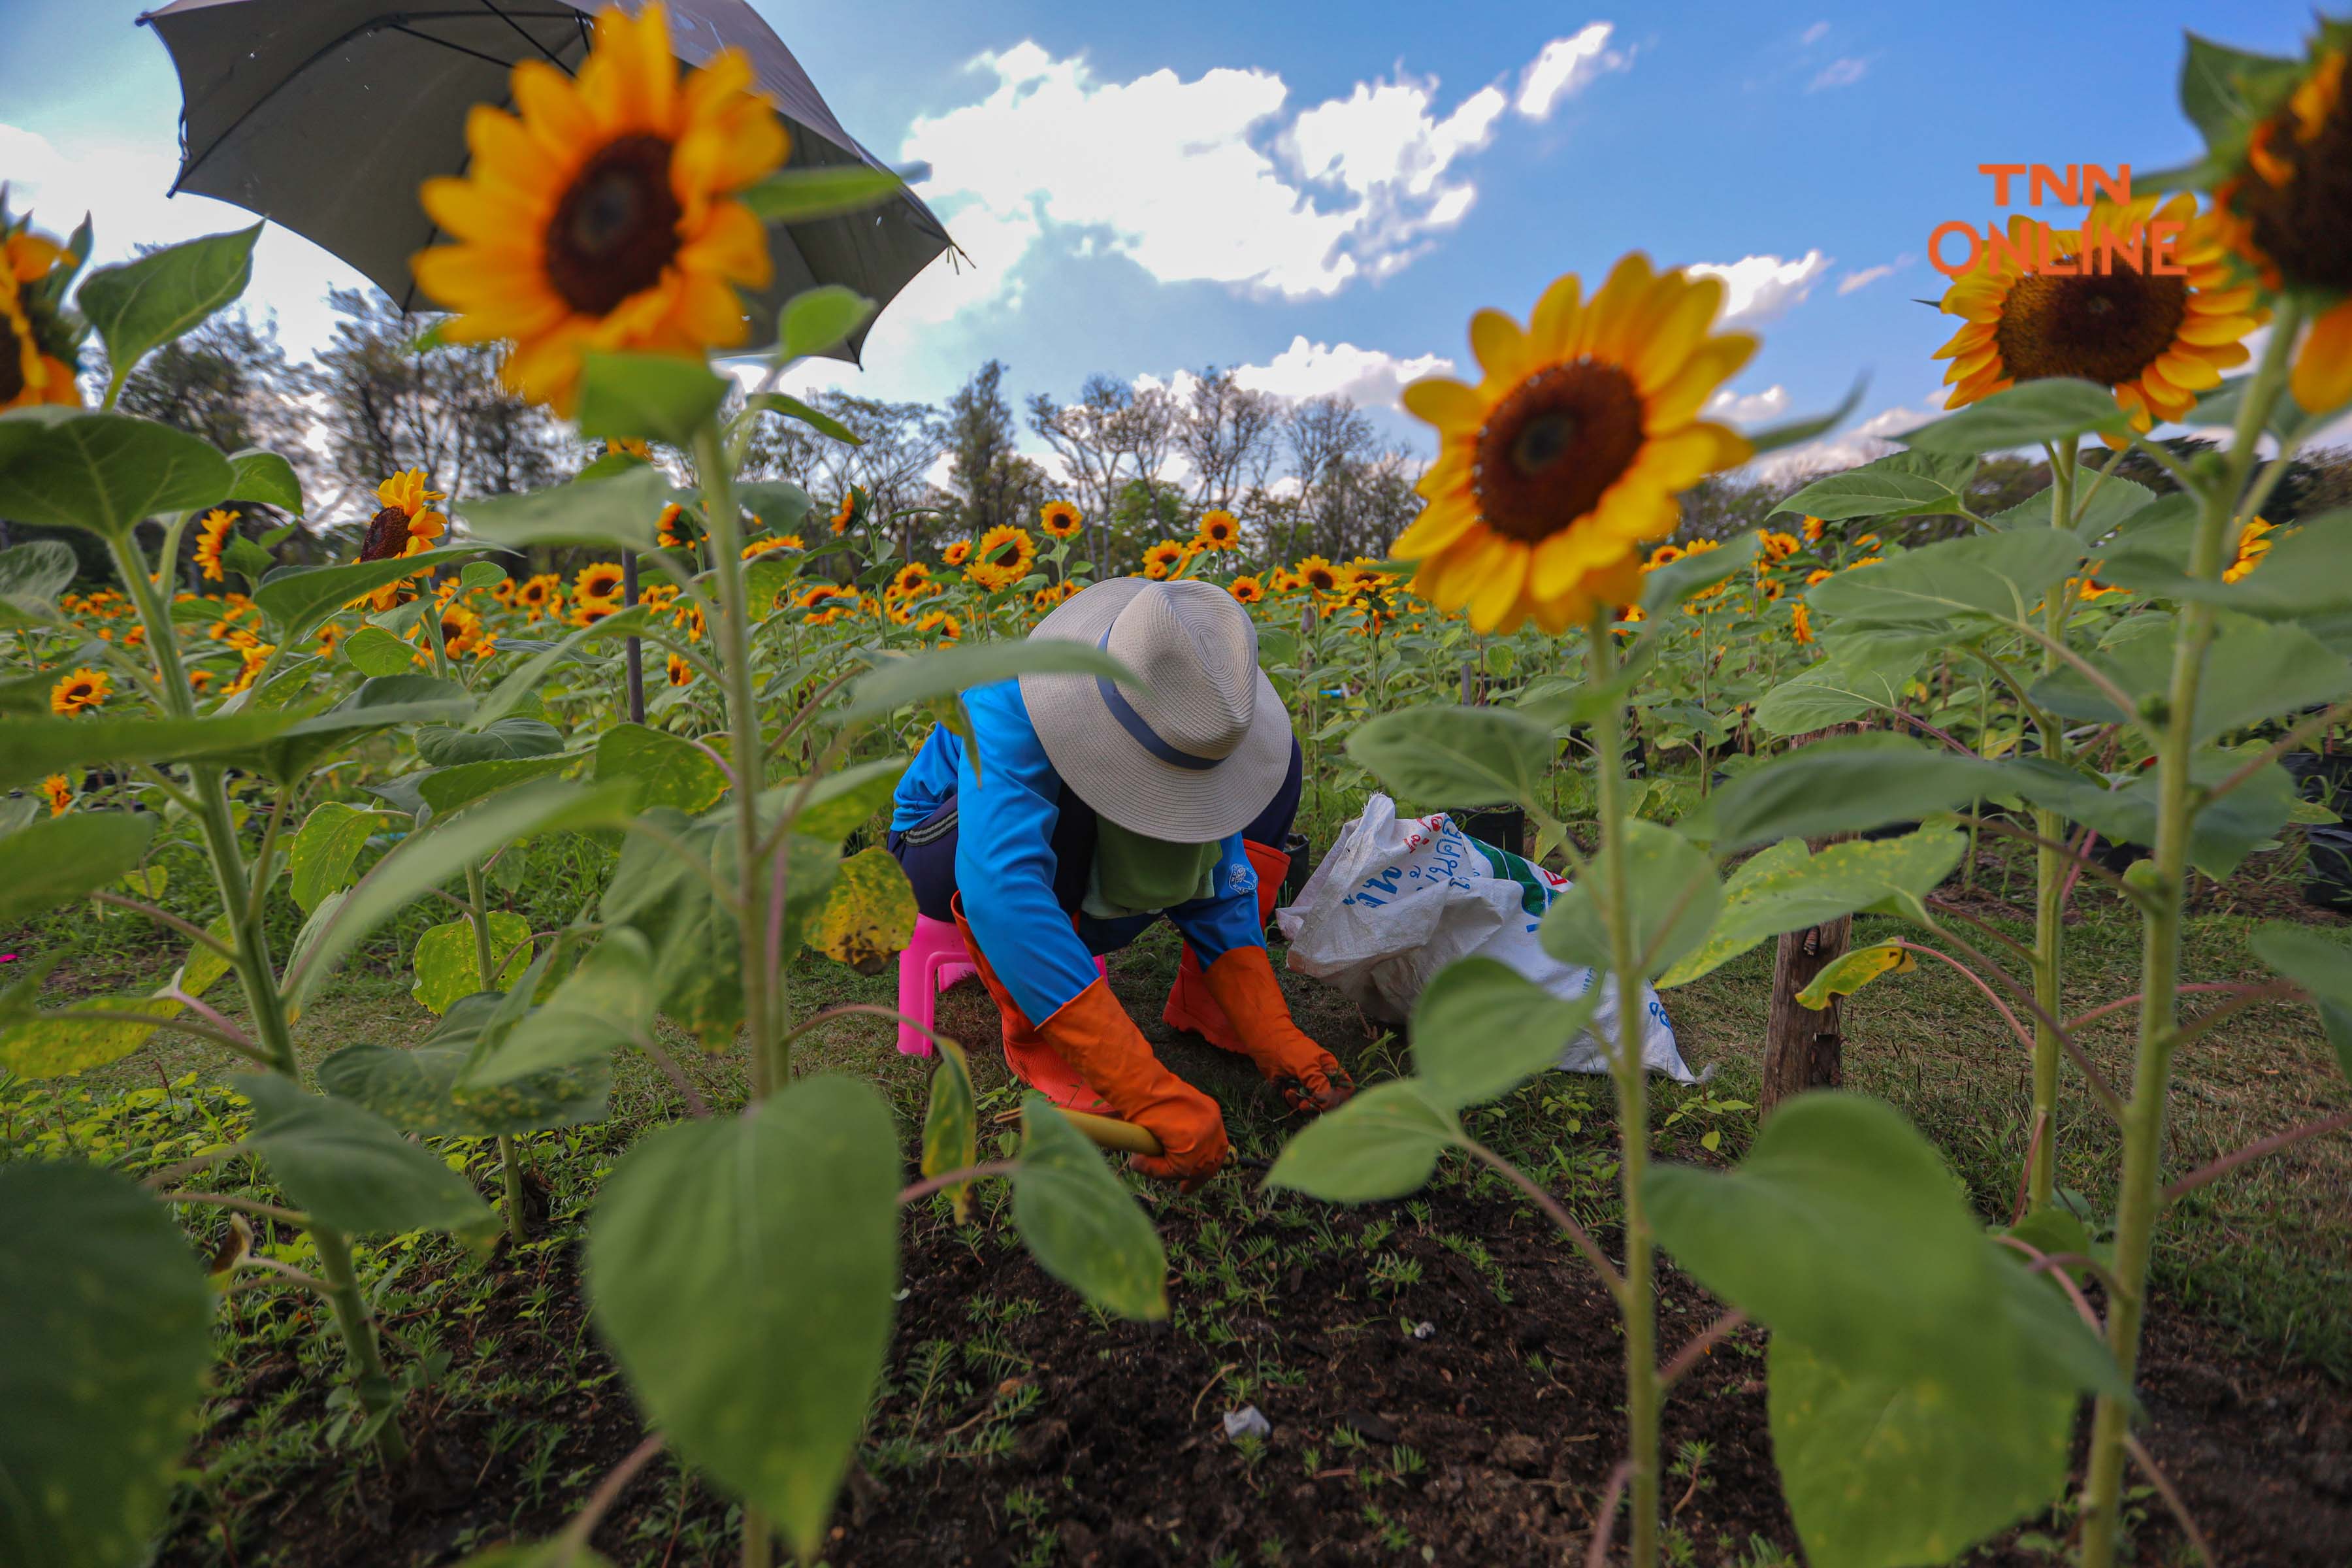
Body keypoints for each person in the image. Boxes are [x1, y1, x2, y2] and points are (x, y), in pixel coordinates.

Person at [887, 576, 1353, 1184]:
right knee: (1061, 809)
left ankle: (1217, 1009)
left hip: (1073, 848)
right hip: (939, 840)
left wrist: (1274, 1031)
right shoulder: (1011, 697)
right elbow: (1003, 891)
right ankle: (1051, 1043)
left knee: (1270, 766)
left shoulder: (1193, 710)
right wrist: (1146, 1090)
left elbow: (1217, 849)